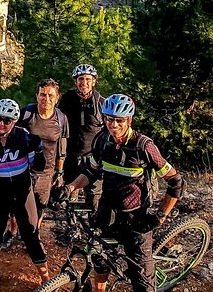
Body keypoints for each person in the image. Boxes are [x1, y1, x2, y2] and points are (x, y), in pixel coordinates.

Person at [59, 94, 185, 292]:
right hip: (108, 211)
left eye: (119, 120)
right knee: (100, 258)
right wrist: (70, 187)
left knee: (143, 283)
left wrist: (160, 216)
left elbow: (176, 182)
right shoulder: (102, 140)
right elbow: (91, 171)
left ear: (129, 120)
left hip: (136, 218)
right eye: (109, 119)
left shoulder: (144, 147)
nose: (113, 124)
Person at [0, 99, 49, 291]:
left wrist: (38, 150)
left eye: (7, 120)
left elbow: (39, 166)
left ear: (14, 122)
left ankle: (46, 278)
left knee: (31, 234)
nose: (1, 124)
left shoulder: (23, 137)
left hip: (23, 191)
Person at [1, 79, 68, 251]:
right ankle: (13, 231)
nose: (46, 99)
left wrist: (59, 173)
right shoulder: (27, 115)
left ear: (57, 97)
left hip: (47, 171)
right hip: (23, 167)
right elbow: (13, 137)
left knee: (40, 204)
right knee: (16, 202)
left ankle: (33, 234)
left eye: (50, 95)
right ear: (37, 96)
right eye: (43, 94)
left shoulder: (61, 119)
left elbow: (62, 148)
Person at [57, 64, 104, 210]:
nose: (84, 83)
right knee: (68, 196)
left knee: (94, 196)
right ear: (75, 81)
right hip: (71, 154)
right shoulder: (67, 100)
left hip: (93, 156)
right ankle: (72, 226)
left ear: (94, 81)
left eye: (88, 79)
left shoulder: (101, 102)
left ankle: (95, 225)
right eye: (80, 79)